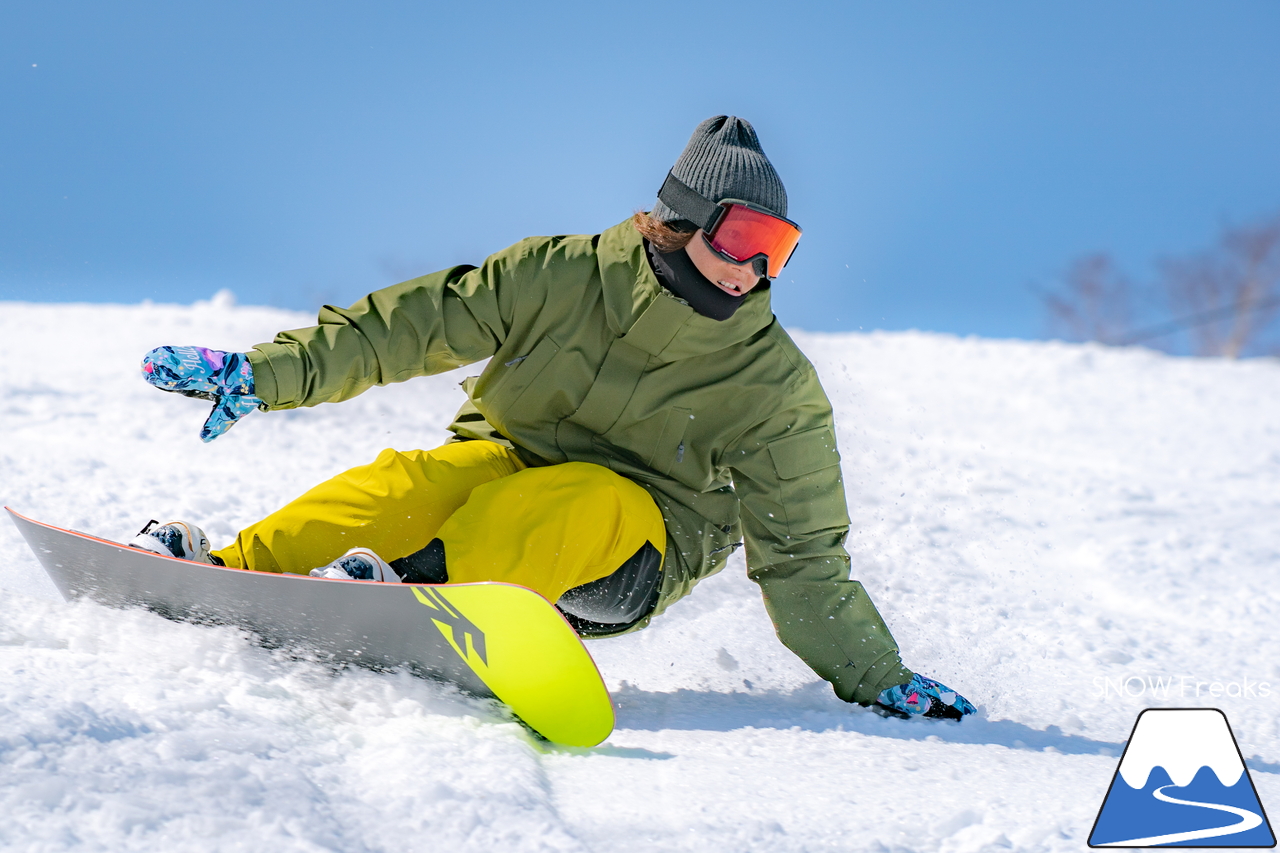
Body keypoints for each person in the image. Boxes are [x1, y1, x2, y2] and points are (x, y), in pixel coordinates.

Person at [135, 116, 976, 721]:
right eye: (745, 237)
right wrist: (265, 374)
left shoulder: (773, 385)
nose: (755, 269)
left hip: (635, 548)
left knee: (571, 497)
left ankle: (423, 597)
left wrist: (877, 674)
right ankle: (237, 570)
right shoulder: (561, 275)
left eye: (779, 250)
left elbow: (802, 556)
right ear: (683, 221)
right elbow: (412, 325)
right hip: (507, 465)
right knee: (423, 479)